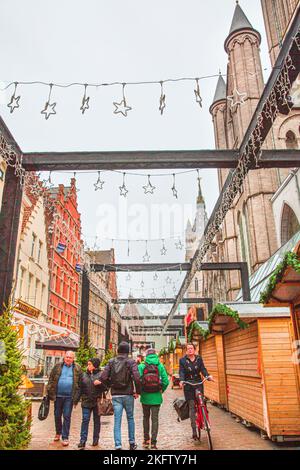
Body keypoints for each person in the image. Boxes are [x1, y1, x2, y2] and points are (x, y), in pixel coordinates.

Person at [100, 342, 141, 450]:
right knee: (130, 418)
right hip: (128, 394)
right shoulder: (131, 362)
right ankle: (132, 443)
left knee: (117, 420)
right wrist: (138, 392)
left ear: (118, 350)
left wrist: (109, 386)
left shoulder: (111, 362)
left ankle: (118, 445)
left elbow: (103, 377)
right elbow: (137, 378)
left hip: (116, 395)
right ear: (127, 351)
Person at [47, 351, 82, 446]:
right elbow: (51, 378)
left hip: (69, 397)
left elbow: (80, 384)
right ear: (64, 357)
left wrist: (76, 399)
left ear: (73, 359)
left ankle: (65, 437)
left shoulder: (77, 368)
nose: (68, 359)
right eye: (67, 357)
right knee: (57, 415)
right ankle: (58, 432)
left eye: (70, 357)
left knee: (67, 416)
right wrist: (50, 391)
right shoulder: (58, 366)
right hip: (57, 396)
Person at [179, 343, 213, 441]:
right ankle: (194, 431)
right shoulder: (182, 360)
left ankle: (205, 420)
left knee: (202, 401)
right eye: (188, 349)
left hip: (198, 383)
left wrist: (208, 376)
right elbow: (181, 371)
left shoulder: (199, 359)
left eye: (191, 348)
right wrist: (181, 380)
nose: (190, 350)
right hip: (188, 385)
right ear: (186, 351)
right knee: (192, 406)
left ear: (194, 350)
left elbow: (203, 369)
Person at [138, 348, 169, 450]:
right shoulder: (160, 366)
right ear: (155, 355)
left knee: (145, 418)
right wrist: (161, 390)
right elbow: (166, 381)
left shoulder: (142, 366)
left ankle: (146, 440)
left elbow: (137, 380)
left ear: (146, 355)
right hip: (156, 397)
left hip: (145, 397)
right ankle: (154, 443)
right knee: (155, 420)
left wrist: (140, 391)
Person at [78, 358, 106, 449]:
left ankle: (95, 439)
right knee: (85, 420)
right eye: (88, 364)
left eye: (90, 364)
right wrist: (75, 400)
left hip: (97, 401)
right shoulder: (84, 375)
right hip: (86, 401)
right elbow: (80, 388)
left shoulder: (101, 374)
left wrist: (100, 384)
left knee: (96, 421)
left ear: (95, 365)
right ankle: (82, 441)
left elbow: (106, 388)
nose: (88, 366)